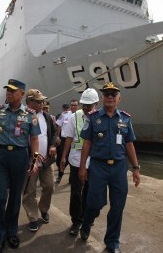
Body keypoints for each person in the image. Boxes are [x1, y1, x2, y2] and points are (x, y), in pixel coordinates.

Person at [78, 82, 141, 253]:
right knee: (94, 202)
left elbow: (129, 144)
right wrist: (82, 167)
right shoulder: (93, 117)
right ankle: (86, 222)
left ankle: (112, 242)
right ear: (103, 98)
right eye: (107, 94)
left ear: (119, 98)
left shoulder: (125, 119)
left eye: (113, 94)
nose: (110, 97)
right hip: (98, 166)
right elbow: (87, 143)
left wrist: (136, 168)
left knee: (118, 206)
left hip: (120, 168)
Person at [0, 79, 41, 253]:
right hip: (0, 156)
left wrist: (34, 161)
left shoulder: (30, 115)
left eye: (12, 91)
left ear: (22, 94)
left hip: (20, 156)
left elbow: (34, 139)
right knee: (1, 197)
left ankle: (11, 232)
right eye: (7, 91)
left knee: (16, 197)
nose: (8, 93)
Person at [60, 88, 99, 235]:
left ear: (96, 104)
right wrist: (63, 157)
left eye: (89, 106)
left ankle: (87, 219)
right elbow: (68, 138)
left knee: (90, 192)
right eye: (84, 105)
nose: (86, 108)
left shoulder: (100, 117)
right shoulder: (74, 116)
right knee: (76, 193)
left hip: (94, 162)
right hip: (76, 160)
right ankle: (76, 221)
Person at [22, 89, 57, 232]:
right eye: (38, 101)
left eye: (42, 100)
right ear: (29, 102)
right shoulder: (23, 117)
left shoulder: (47, 117)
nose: (42, 103)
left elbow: (54, 133)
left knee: (49, 186)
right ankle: (33, 218)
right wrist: (34, 156)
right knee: (29, 191)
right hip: (31, 162)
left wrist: (53, 145)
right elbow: (22, 138)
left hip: (46, 161)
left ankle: (43, 208)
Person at [55, 100, 78, 184]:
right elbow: (59, 125)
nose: (73, 107)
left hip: (74, 140)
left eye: (75, 105)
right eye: (72, 105)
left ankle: (71, 178)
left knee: (72, 158)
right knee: (61, 158)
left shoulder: (80, 115)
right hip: (64, 140)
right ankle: (60, 175)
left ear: (77, 106)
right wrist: (58, 136)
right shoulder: (64, 115)